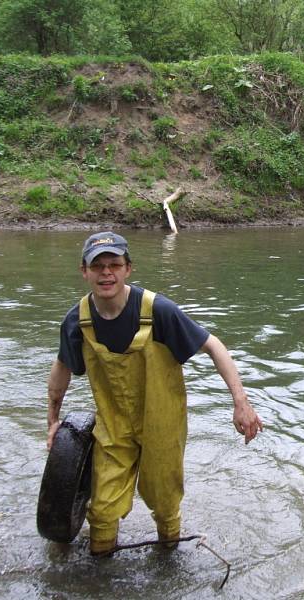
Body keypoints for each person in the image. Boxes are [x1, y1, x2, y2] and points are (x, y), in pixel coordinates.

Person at [46, 231, 263, 556]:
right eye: (98, 266)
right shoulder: (77, 321)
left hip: (163, 426)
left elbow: (213, 345)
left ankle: (168, 562)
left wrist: (241, 403)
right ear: (85, 272)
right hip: (112, 429)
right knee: (102, 513)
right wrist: (52, 420)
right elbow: (62, 368)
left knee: (165, 505)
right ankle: (98, 577)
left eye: (114, 265)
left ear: (128, 269)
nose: (106, 273)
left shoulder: (158, 310)